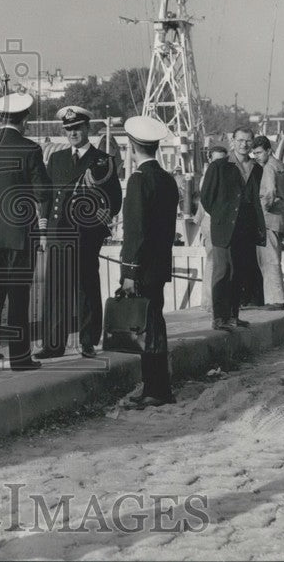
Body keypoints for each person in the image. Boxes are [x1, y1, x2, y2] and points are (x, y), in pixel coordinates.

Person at [0, 92, 50, 371]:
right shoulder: (30, 149)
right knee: (18, 298)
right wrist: (43, 224)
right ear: (24, 118)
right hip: (20, 237)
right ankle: (20, 358)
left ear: (0, 117)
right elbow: (43, 193)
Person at [36, 106, 121, 359]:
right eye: (69, 129)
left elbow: (115, 198)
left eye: (77, 128)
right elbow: (48, 197)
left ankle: (88, 341)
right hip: (58, 232)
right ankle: (53, 344)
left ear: (87, 129)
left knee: (86, 286)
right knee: (56, 288)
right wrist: (43, 229)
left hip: (86, 233)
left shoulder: (102, 160)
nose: (73, 133)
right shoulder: (57, 159)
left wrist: (104, 212)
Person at [119, 116, 181, 409]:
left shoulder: (138, 180)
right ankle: (160, 386)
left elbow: (135, 230)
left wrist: (129, 271)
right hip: (160, 265)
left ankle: (154, 389)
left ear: (132, 147)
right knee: (156, 322)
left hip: (142, 268)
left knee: (147, 329)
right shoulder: (167, 180)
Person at [200, 126, 266, 331]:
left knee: (239, 272)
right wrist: (222, 215)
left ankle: (233, 315)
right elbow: (206, 198)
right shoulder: (219, 166)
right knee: (222, 271)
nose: (244, 144)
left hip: (245, 228)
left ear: (252, 142)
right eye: (240, 140)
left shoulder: (257, 168)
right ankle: (219, 317)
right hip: (223, 227)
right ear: (232, 141)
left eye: (248, 141)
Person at [251, 135, 284, 310]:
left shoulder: (268, 168)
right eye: (254, 153)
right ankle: (275, 297)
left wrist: (257, 213)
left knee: (269, 260)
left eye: (259, 153)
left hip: (269, 220)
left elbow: (268, 194)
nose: (257, 156)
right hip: (282, 219)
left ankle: (276, 299)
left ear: (268, 151)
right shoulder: (281, 166)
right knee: (274, 258)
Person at [196, 145, 228, 312]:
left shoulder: (221, 174)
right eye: (216, 160)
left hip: (218, 223)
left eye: (222, 160)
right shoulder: (209, 176)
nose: (219, 163)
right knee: (212, 261)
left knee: (220, 263)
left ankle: (216, 300)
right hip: (211, 222)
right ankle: (209, 301)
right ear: (210, 160)